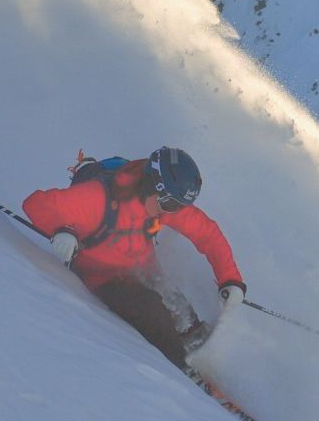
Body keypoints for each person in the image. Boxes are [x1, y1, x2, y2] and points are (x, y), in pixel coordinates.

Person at [21, 146, 245, 369]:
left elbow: (207, 234)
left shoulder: (161, 205)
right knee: (151, 311)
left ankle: (195, 344)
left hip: (143, 267)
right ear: (150, 186)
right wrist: (62, 231)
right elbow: (37, 203)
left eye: (178, 206)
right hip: (102, 276)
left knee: (177, 305)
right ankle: (181, 368)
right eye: (169, 204)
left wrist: (230, 279)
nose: (172, 211)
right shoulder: (98, 198)